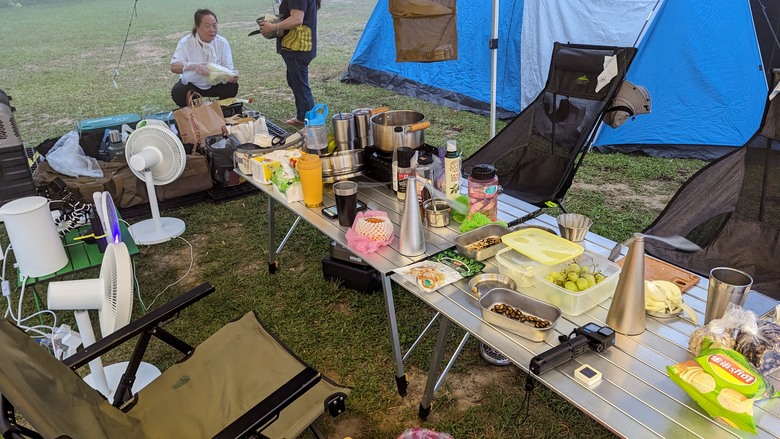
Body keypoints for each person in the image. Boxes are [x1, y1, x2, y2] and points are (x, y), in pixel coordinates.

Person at [260, 0, 319, 127]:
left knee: (301, 87)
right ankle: (302, 117)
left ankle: (312, 124)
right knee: (294, 82)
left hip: (298, 48)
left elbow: (297, 19)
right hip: (295, 47)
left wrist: (273, 27)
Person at [170, 9, 239, 108]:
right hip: (193, 85)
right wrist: (195, 66)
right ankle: (192, 113)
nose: (212, 30)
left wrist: (231, 76)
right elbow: (173, 66)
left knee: (232, 87)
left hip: (216, 84)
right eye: (207, 26)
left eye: (214, 25)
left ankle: (222, 110)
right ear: (197, 27)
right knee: (178, 92)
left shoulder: (222, 43)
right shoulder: (186, 43)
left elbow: (229, 68)